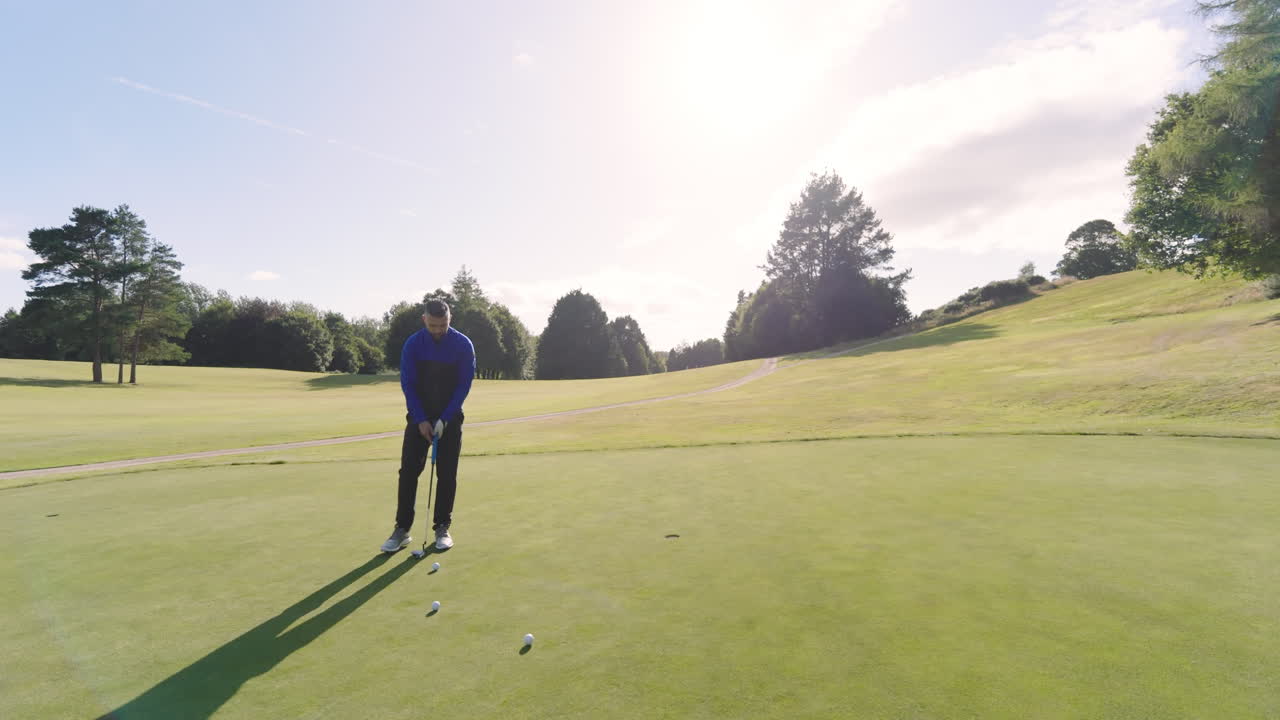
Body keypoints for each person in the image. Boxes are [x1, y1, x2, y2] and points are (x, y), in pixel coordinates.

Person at [381, 298, 475, 553]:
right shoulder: (413, 344)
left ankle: (442, 527)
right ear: (425, 320)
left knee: (447, 474)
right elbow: (408, 384)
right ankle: (402, 530)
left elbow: (463, 386)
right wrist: (421, 418)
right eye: (433, 325)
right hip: (418, 417)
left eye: (442, 325)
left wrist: (445, 419)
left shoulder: (463, 345)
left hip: (450, 418)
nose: (437, 330)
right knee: (409, 473)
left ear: (449, 319)